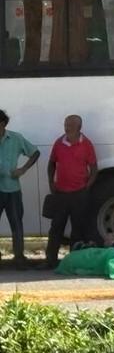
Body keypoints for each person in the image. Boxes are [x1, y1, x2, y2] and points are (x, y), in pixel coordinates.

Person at [45, 114, 97, 268]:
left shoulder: (86, 144)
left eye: (70, 125)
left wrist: (87, 187)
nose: (67, 128)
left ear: (79, 127)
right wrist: (51, 182)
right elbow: (51, 164)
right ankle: (50, 261)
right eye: (66, 125)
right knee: (56, 227)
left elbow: (94, 169)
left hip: (79, 192)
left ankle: (74, 261)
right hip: (61, 192)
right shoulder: (59, 143)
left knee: (78, 229)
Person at [0, 109, 40, 269]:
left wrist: (23, 169)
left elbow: (35, 152)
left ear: (2, 124)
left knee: (16, 223)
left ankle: (19, 257)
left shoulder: (16, 138)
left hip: (12, 189)